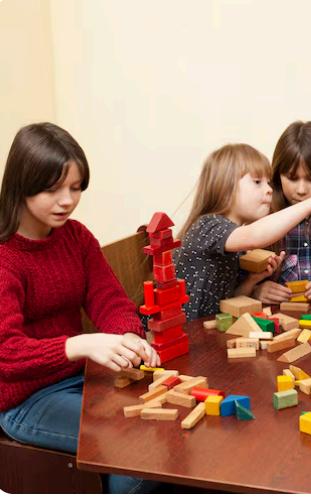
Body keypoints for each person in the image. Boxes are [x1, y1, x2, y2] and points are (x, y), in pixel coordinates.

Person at [0, 123, 160, 493]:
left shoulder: (77, 237)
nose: (67, 201)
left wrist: (128, 336)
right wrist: (81, 344)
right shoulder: (5, 257)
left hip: (81, 379)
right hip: (25, 401)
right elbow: (6, 354)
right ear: (22, 184)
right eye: (53, 189)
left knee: (162, 424)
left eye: (75, 188)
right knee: (133, 440)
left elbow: (111, 301)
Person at [176, 143, 311, 319]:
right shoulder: (207, 226)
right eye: (257, 182)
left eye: (268, 182)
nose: (269, 190)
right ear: (225, 187)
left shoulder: (235, 242)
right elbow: (255, 236)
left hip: (207, 329)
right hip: (185, 329)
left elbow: (230, 301)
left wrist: (252, 281)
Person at [252, 121, 311, 304]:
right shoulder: (262, 221)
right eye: (292, 178)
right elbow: (236, 285)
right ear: (277, 176)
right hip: (277, 318)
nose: (301, 190)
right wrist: (256, 290)